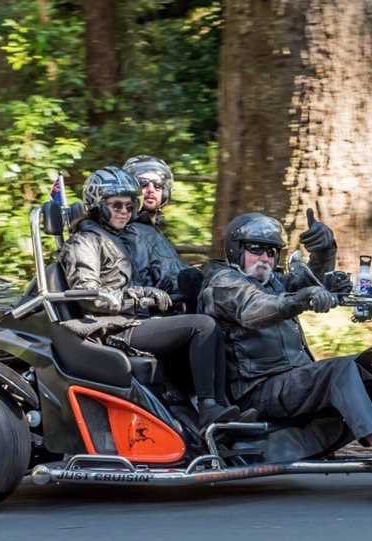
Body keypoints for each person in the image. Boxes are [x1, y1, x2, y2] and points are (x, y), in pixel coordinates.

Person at [198, 212, 372, 467]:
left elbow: (307, 280)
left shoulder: (272, 281)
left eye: (271, 251)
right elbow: (257, 308)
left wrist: (324, 251)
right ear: (236, 249)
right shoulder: (224, 283)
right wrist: (301, 299)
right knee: (339, 369)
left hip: (291, 381)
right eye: (256, 249)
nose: (265, 258)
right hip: (259, 388)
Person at [59, 165, 239, 429]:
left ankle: (221, 408)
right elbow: (89, 296)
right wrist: (142, 295)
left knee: (213, 323)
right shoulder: (84, 241)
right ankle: (208, 408)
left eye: (130, 206)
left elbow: (149, 277)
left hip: (137, 320)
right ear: (97, 205)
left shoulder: (124, 238)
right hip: (113, 328)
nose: (124, 211)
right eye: (116, 205)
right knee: (201, 326)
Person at [120, 155, 190, 295]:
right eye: (143, 184)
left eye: (158, 184)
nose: (151, 190)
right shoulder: (134, 231)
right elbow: (141, 281)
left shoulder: (152, 230)